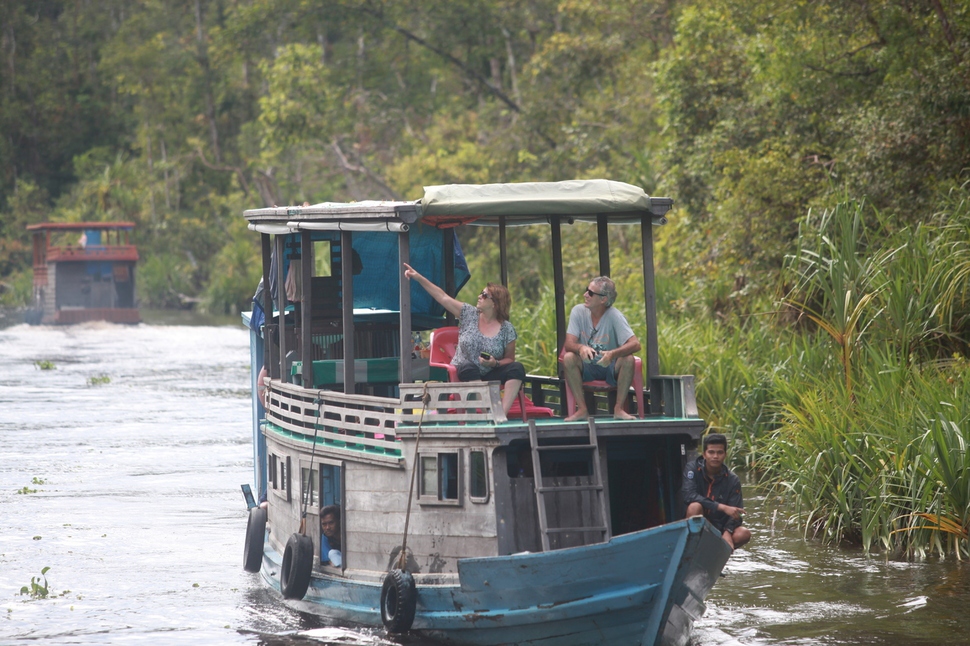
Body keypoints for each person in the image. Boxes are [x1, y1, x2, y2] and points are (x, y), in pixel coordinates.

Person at [403, 263, 525, 415]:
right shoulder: (468, 313)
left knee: (517, 368)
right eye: (481, 293)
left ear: (495, 303)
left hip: (490, 371)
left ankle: (501, 414)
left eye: (485, 295)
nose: (479, 296)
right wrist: (418, 277)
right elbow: (442, 297)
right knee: (468, 366)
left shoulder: (507, 328)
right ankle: (488, 409)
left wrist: (495, 363)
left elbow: (510, 359)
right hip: (466, 370)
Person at [561, 276, 641, 421]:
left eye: (590, 293)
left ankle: (618, 409)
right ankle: (582, 409)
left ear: (603, 299)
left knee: (628, 359)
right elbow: (568, 344)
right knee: (568, 358)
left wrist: (612, 354)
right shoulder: (578, 312)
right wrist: (580, 348)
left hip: (610, 366)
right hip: (587, 366)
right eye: (586, 290)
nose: (585, 295)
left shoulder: (615, 316)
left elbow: (635, 344)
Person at [682, 433, 751, 551]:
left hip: (719, 527)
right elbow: (689, 495)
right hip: (700, 523)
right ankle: (692, 547)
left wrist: (728, 531)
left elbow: (737, 512)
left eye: (719, 452)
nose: (715, 456)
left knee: (744, 533)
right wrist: (721, 507)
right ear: (704, 454)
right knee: (694, 506)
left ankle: (718, 550)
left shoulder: (732, 479)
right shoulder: (693, 469)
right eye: (711, 452)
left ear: (725, 455)